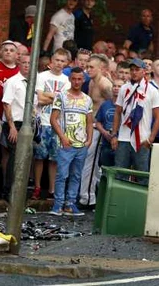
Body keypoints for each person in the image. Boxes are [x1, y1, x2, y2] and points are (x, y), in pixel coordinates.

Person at [49, 67, 93, 216]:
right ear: (70, 79)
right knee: (62, 174)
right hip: (66, 143)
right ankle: (58, 204)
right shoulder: (61, 96)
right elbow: (53, 119)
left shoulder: (87, 99)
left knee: (76, 175)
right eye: (73, 78)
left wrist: (89, 140)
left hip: (81, 144)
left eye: (79, 79)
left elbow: (89, 121)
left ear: (83, 80)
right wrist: (62, 137)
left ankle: (70, 204)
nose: (76, 82)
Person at [111, 59, 159, 181]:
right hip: (123, 138)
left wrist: (151, 138)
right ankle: (118, 200)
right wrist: (114, 134)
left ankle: (140, 200)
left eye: (137, 70)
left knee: (142, 176)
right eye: (132, 70)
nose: (134, 72)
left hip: (142, 139)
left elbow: (158, 118)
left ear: (144, 71)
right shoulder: (124, 88)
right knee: (119, 174)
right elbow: (117, 113)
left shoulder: (152, 90)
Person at [34, 48, 71, 200]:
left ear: (66, 63)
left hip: (57, 124)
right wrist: (56, 97)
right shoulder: (42, 76)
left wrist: (49, 96)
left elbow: (65, 102)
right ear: (51, 61)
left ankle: (52, 189)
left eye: (62, 61)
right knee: (39, 157)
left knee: (54, 159)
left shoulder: (66, 81)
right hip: (42, 121)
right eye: (57, 60)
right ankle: (36, 187)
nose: (59, 63)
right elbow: (39, 99)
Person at [79, 54, 112, 209]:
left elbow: (114, 105)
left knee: (90, 162)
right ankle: (88, 195)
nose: (88, 69)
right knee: (86, 161)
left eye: (91, 67)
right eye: (87, 66)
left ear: (101, 69)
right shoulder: (91, 82)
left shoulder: (105, 85)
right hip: (89, 125)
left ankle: (88, 198)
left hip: (99, 127)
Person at [2, 54, 30, 199]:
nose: (26, 65)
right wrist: (12, 127)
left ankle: (19, 190)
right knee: (15, 156)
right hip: (15, 123)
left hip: (28, 123)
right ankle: (9, 190)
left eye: (29, 63)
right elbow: (6, 104)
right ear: (19, 64)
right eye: (24, 62)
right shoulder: (13, 82)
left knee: (24, 157)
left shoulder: (32, 82)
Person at [96, 79, 125, 167]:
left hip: (121, 145)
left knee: (119, 171)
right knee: (104, 171)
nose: (116, 88)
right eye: (114, 86)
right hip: (106, 144)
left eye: (119, 86)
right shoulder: (105, 104)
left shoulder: (126, 105)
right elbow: (98, 122)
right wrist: (104, 133)